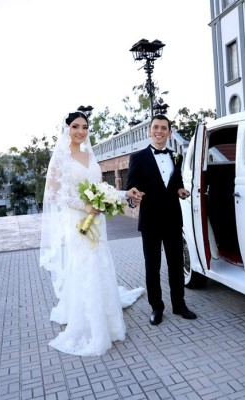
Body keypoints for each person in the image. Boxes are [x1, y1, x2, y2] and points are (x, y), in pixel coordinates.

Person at [40, 110, 145, 356]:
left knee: (100, 263)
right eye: (75, 126)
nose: (81, 131)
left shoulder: (89, 153)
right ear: (66, 128)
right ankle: (88, 323)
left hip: (97, 220)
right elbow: (52, 194)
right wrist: (83, 205)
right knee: (84, 264)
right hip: (78, 221)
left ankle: (107, 317)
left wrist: (124, 194)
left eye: (85, 127)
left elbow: (101, 189)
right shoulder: (61, 157)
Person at [126, 114, 196, 325]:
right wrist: (132, 200)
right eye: (155, 127)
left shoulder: (176, 156)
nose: (159, 131)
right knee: (152, 267)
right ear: (150, 131)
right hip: (150, 221)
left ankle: (179, 305)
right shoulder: (138, 158)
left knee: (176, 265)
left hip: (174, 219)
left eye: (163, 128)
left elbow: (177, 183)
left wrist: (181, 190)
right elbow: (131, 189)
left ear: (169, 132)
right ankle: (157, 307)